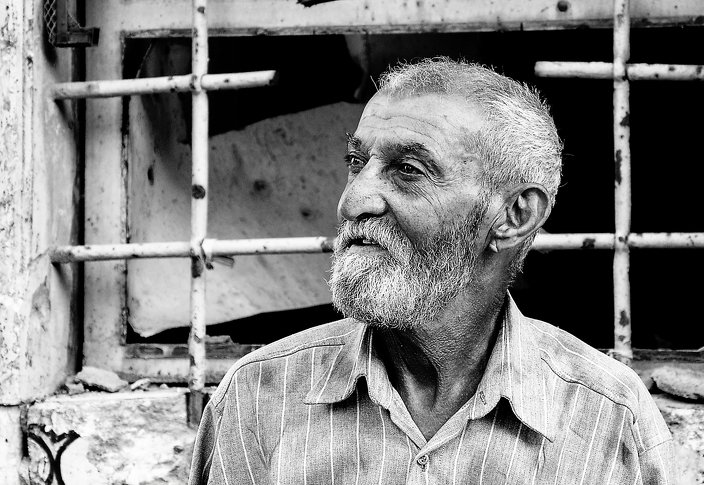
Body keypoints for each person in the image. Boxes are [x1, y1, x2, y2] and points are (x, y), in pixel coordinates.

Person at [189, 57, 673, 484]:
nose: (352, 201)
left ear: (515, 216)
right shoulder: (257, 397)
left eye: (409, 170)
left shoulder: (609, 417)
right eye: (356, 163)